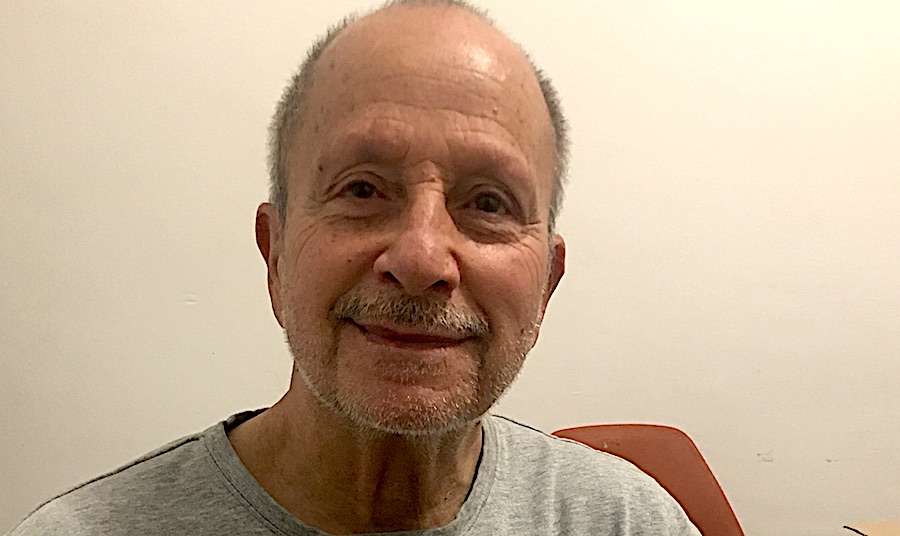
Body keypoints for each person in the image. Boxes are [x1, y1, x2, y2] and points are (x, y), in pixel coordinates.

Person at [8, 1, 700, 534]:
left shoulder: (630, 523)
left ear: (546, 284)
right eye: (362, 189)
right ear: (276, 253)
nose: (421, 258)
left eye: (489, 202)